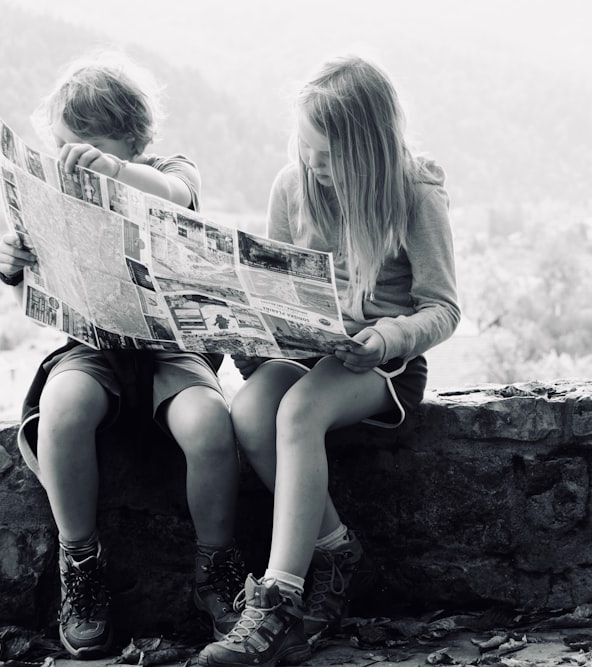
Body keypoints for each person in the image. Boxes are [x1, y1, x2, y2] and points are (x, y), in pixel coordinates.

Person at [196, 55, 460, 667]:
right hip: (310, 352)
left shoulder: (415, 191)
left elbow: (442, 309)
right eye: (305, 148)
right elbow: (274, 284)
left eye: (326, 155)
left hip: (383, 365)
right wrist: (249, 328)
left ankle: (277, 601)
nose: (312, 165)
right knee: (253, 411)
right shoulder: (293, 184)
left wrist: (383, 340)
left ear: (366, 147)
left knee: (298, 412)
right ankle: (336, 552)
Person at [0, 51, 243, 658]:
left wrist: (112, 172)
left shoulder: (169, 169)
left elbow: (177, 194)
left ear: (133, 139)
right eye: (62, 146)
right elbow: (31, 261)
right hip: (94, 347)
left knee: (210, 426)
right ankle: (80, 562)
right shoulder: (56, 187)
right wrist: (10, 261)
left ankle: (216, 567)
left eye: (91, 146)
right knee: (63, 408)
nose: (72, 159)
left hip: (170, 350)